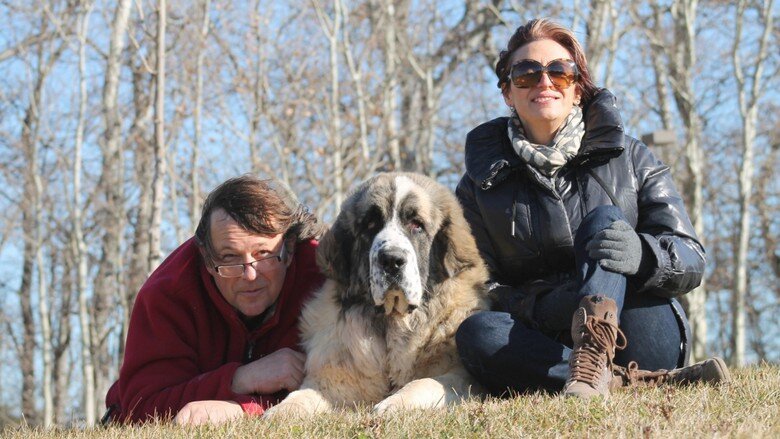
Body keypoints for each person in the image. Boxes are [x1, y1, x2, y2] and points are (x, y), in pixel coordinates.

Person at [455, 18, 729, 399]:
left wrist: (644, 256)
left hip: (635, 325)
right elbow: (478, 284)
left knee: (606, 220)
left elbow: (692, 257)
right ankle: (628, 380)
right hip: (543, 339)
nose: (544, 83)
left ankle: (597, 362)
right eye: (526, 75)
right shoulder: (479, 185)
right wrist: (545, 307)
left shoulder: (631, 156)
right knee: (475, 333)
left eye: (559, 73)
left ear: (578, 87)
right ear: (507, 92)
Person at [104, 175, 325, 424]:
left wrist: (241, 408)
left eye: (264, 254)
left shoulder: (322, 276)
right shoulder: (167, 294)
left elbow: (347, 387)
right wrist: (241, 380)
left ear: (290, 248)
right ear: (207, 260)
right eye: (230, 257)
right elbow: (142, 408)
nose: (250, 275)